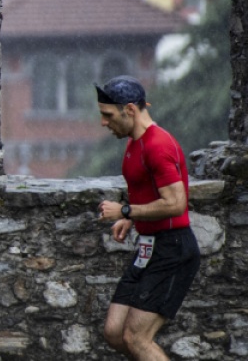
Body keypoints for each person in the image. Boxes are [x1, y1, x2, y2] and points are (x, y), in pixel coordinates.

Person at [94, 75, 200, 361]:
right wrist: (131, 217)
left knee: (137, 338)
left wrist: (126, 211)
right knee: (116, 333)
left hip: (173, 249)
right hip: (149, 246)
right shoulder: (133, 143)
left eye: (108, 115)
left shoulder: (158, 145)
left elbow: (176, 204)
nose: (104, 122)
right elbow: (146, 190)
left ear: (129, 110)